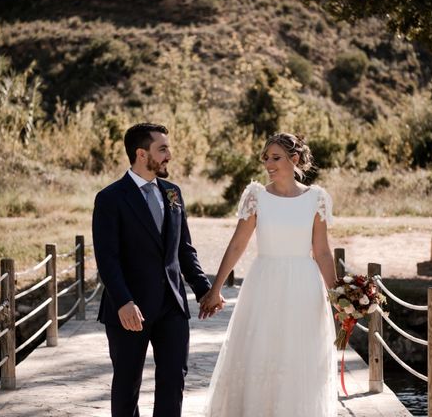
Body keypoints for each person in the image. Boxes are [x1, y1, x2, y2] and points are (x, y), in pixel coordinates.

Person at [199, 132, 338, 416]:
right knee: (261, 352)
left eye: (276, 158)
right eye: (266, 159)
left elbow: (322, 251)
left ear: (294, 159)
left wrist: (338, 295)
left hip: (303, 286)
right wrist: (216, 289)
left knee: (300, 355)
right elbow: (238, 244)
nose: (269, 165)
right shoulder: (256, 196)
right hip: (265, 283)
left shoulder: (317, 199)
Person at [92, 123, 216, 417]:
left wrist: (203, 290)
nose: (169, 155)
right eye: (162, 149)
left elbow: (184, 249)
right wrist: (123, 301)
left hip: (172, 305)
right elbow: (107, 258)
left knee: (174, 380)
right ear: (141, 154)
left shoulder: (173, 193)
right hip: (129, 309)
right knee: (127, 384)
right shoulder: (110, 198)